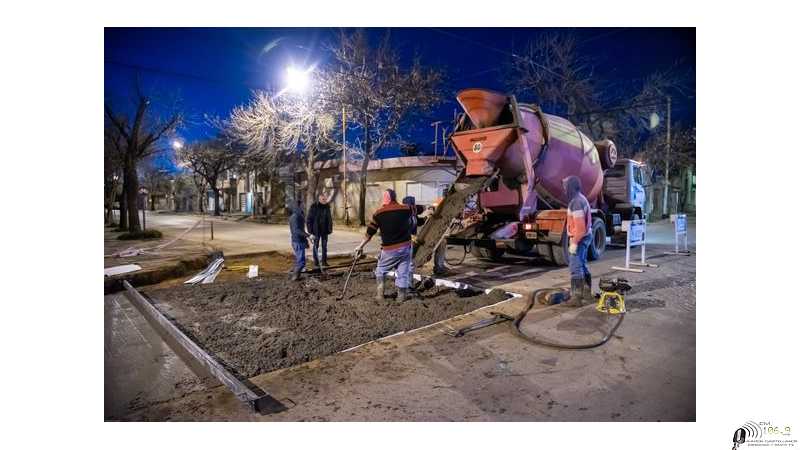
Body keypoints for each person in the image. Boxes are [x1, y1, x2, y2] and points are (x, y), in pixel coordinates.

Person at [354, 189, 416, 301]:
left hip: (390, 249)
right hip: (406, 247)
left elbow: (369, 233)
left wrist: (360, 246)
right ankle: (401, 296)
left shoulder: (379, 213)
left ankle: (380, 295)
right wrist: (430, 209)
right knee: (403, 272)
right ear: (394, 197)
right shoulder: (406, 208)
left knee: (381, 270)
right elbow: (418, 209)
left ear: (385, 199)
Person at [562, 176, 593, 306]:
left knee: (575, 267)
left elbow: (580, 228)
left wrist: (574, 243)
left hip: (579, 238)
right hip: (585, 236)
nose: (563, 189)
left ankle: (576, 298)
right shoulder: (581, 198)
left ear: (571, 187)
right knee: (582, 264)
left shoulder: (576, 202)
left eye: (565, 186)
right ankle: (586, 293)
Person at [307, 193, 333, 268]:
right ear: (319, 199)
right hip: (316, 231)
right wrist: (310, 231)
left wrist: (330, 228)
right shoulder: (314, 207)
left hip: (325, 231)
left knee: (324, 246)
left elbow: (329, 218)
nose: (325, 200)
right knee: (316, 246)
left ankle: (324, 262)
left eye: (325, 199)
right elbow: (309, 219)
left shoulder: (327, 207)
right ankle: (316, 263)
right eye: (323, 199)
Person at [288, 199, 309, 281]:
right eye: (301, 205)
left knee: (300, 259)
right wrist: (308, 235)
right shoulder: (295, 217)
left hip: (299, 241)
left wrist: (306, 241)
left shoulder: (298, 216)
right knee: (301, 261)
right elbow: (297, 230)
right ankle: (295, 277)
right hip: (297, 241)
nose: (303, 207)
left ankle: (296, 275)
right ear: (297, 206)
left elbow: (301, 229)